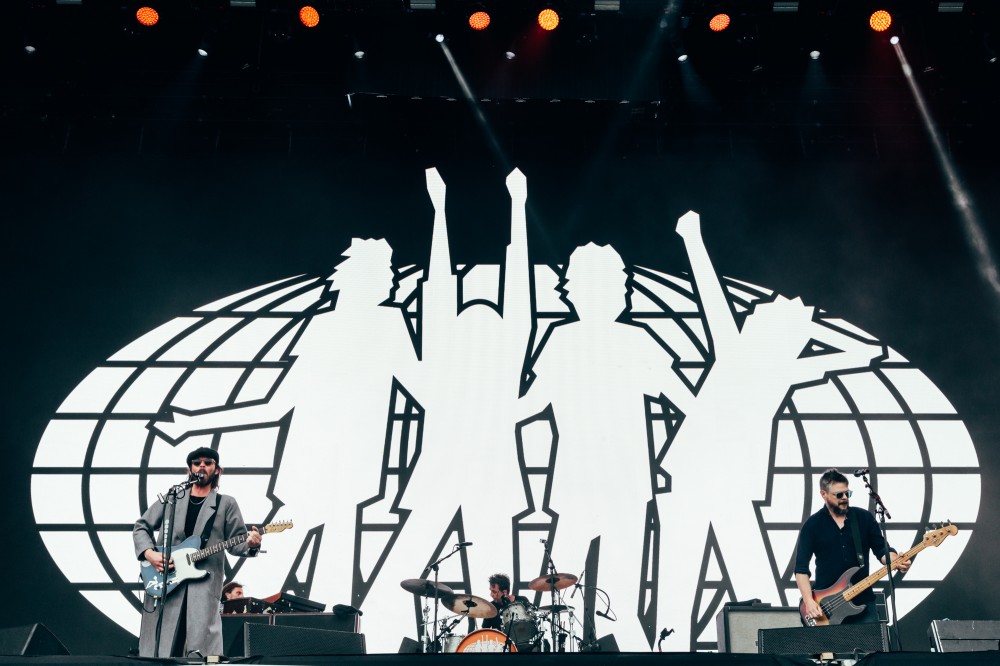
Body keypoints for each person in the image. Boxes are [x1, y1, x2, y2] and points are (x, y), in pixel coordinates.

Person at [133, 447, 262, 657]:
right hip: (167, 582)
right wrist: (149, 553)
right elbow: (141, 526)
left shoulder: (226, 503)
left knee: (199, 650)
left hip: (202, 587)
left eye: (208, 462)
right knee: (162, 647)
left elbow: (236, 543)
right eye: (196, 462)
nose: (202, 465)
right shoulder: (172, 498)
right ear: (189, 469)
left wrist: (252, 544)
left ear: (217, 470)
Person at [794, 468, 910, 624]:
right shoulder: (812, 525)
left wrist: (895, 560)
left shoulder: (863, 518)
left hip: (863, 602)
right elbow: (801, 569)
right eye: (839, 495)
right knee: (831, 649)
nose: (844, 498)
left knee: (873, 647)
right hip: (826, 607)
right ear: (824, 494)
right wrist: (808, 601)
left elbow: (882, 550)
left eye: (847, 494)